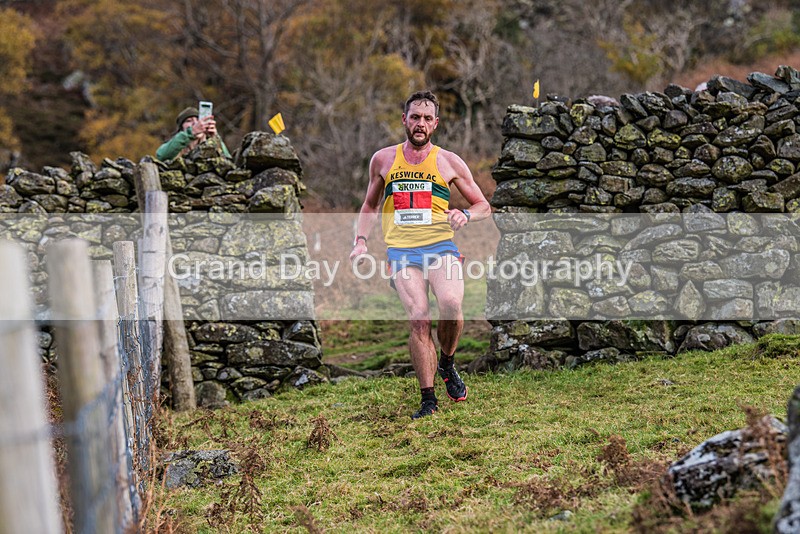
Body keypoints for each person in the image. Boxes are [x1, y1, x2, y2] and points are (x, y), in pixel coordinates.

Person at [349, 90, 491, 419]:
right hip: (402, 251)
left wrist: (466, 215)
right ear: (404, 120)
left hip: (441, 246)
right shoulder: (383, 159)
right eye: (415, 117)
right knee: (419, 317)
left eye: (427, 118)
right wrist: (360, 240)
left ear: (436, 124)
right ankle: (428, 400)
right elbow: (369, 205)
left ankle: (447, 362)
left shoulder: (449, 161)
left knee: (452, 305)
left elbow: (483, 205)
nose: (420, 123)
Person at [156, 106, 231, 161]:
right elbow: (161, 155)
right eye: (189, 121)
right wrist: (191, 132)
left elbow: (229, 161)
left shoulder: (210, 145)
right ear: (181, 128)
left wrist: (215, 138)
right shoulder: (174, 146)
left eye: (198, 120)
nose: (195, 123)